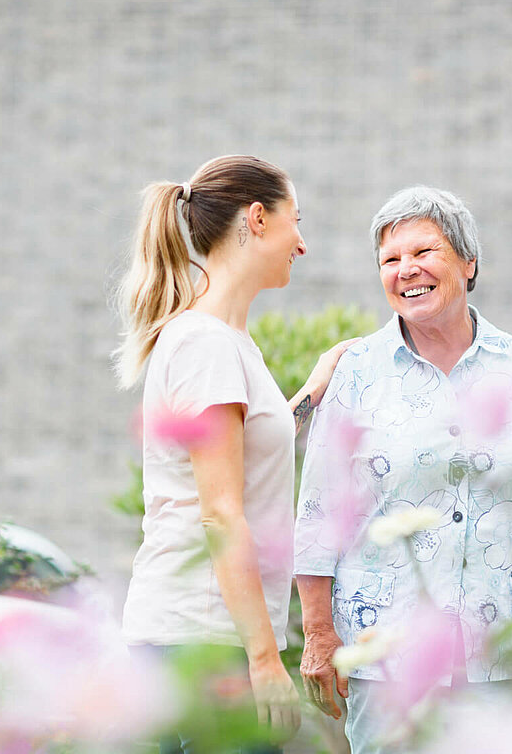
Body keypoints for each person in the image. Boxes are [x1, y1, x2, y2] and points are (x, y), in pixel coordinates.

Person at [293, 186, 512, 753]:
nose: (407, 271)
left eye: (424, 252)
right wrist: (319, 634)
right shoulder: (354, 372)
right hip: (388, 659)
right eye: (390, 260)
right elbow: (319, 512)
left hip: (504, 654)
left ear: (468, 261)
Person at [114, 155, 353, 752]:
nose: (303, 243)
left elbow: (245, 455)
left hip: (197, 638)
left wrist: (311, 392)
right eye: (296, 221)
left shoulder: (225, 342)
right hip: (203, 641)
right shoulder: (206, 345)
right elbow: (220, 513)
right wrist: (266, 660)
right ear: (257, 218)